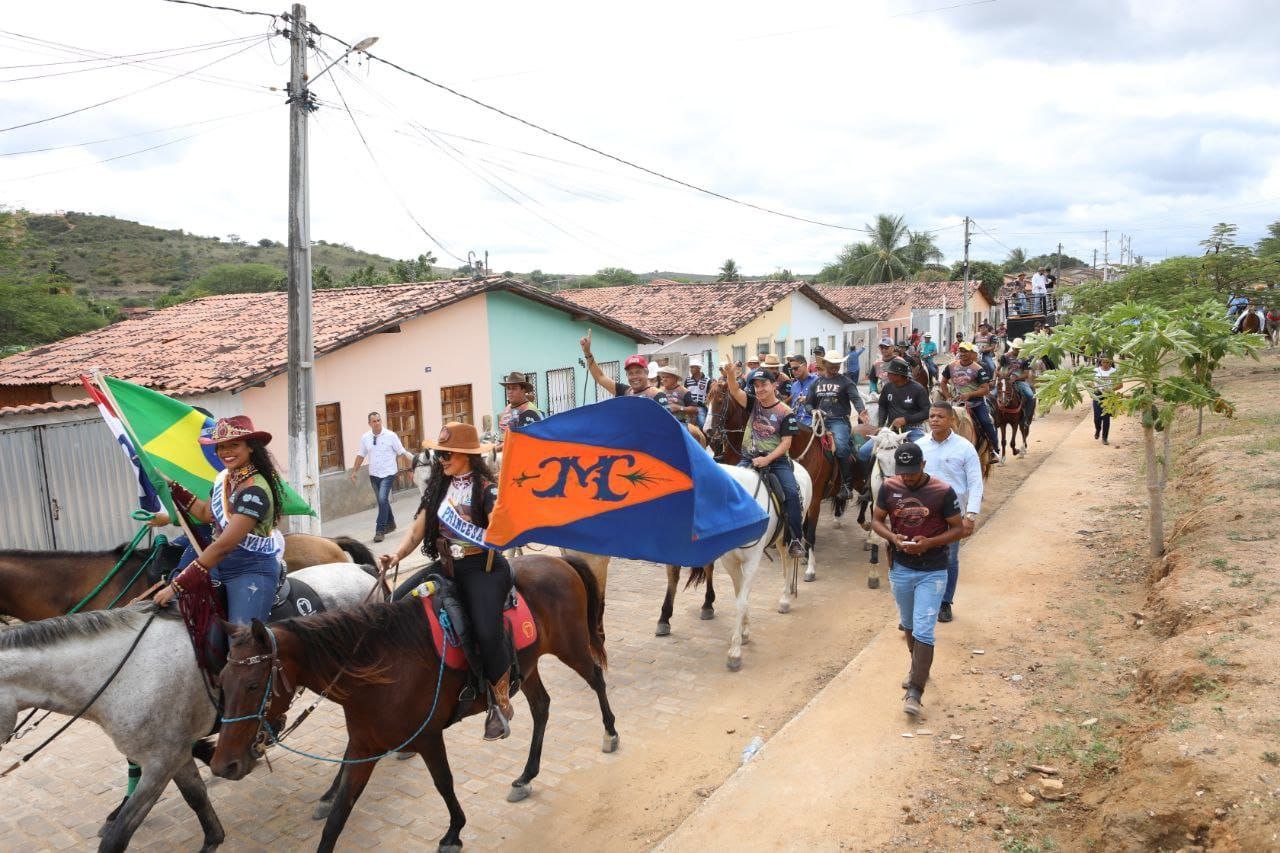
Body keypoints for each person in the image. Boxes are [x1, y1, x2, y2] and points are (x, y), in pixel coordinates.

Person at [378, 422, 515, 741]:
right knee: (394, 604)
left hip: (484, 569)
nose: (441, 459)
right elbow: (416, 529)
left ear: (466, 455)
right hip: (448, 566)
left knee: (485, 630)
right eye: (439, 453)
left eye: (447, 453)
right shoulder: (439, 488)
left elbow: (502, 534)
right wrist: (396, 555)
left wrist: (499, 523)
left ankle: (499, 701)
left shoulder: (486, 489)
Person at [153, 416, 285, 626]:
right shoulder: (226, 479)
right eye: (221, 446)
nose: (226, 452)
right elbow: (205, 513)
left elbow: (224, 545)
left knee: (242, 641)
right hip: (220, 564)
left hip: (250, 568)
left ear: (251, 447)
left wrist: (177, 586)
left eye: (234, 445)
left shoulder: (255, 490)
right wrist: (172, 486)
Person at [871, 442, 964, 717]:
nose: (907, 477)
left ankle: (915, 692)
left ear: (923, 465)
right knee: (909, 625)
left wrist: (930, 542)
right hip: (901, 567)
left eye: (912, 472)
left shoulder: (943, 491)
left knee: (924, 629)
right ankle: (917, 668)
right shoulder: (889, 487)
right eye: (903, 473)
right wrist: (892, 537)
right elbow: (877, 520)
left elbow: (959, 529)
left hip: (933, 568)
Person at [721, 360, 806, 559]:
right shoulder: (753, 403)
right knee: (728, 487)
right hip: (749, 458)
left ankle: (795, 539)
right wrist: (731, 375)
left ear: (774, 385)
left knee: (792, 493)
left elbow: (786, 444)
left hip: (776, 461)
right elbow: (735, 391)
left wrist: (767, 459)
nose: (759, 389)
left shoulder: (786, 413)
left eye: (764, 385)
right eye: (756, 386)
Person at [917, 402, 983, 623]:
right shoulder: (919, 446)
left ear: (951, 420)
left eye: (940, 417)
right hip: (922, 515)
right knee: (918, 557)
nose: (934, 420)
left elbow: (975, 482)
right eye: (932, 416)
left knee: (950, 559)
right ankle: (918, 608)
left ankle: (945, 603)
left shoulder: (965, 448)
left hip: (952, 514)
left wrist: (970, 515)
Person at [810, 352, 868, 499]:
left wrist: (861, 411)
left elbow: (856, 398)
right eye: (832, 363)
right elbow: (808, 403)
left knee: (841, 447)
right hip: (819, 421)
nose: (835, 366)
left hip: (838, 421)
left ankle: (847, 486)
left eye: (838, 363)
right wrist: (812, 410)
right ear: (825, 364)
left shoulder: (846, 382)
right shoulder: (816, 383)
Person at [349, 412, 413, 543]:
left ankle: (380, 530)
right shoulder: (365, 437)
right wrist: (354, 471)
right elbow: (361, 455)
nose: (377, 423)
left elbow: (402, 453)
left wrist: (412, 467)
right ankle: (391, 523)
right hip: (374, 475)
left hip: (388, 473)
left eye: (378, 420)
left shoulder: (391, 436)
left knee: (383, 499)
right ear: (369, 423)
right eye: (374, 421)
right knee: (382, 501)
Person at [859, 358, 930, 462]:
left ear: (899, 375)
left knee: (925, 452)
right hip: (890, 430)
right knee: (863, 452)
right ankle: (868, 477)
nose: (887, 375)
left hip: (913, 429)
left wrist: (905, 420)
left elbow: (926, 412)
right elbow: (883, 406)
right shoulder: (887, 387)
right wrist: (881, 426)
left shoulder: (918, 389)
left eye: (890, 373)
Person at [940, 342, 1001, 463]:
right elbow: (943, 382)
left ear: (972, 353)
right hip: (955, 403)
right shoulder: (951, 366)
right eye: (961, 351)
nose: (962, 353)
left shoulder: (978, 369)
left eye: (965, 351)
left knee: (986, 422)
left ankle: (994, 450)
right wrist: (947, 396)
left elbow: (985, 389)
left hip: (976, 403)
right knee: (938, 421)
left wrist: (969, 395)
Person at [580, 330, 669, 407]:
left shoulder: (657, 395)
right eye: (630, 373)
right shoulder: (625, 392)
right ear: (627, 375)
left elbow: (667, 424)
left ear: (646, 372)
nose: (634, 377)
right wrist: (587, 352)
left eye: (638, 372)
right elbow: (600, 377)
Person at [496, 372, 543, 452]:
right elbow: (503, 434)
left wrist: (495, 450)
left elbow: (522, 442)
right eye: (508, 388)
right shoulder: (508, 408)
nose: (510, 391)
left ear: (523, 390)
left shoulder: (529, 412)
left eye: (514, 388)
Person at [998, 338, 1037, 423]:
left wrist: (1016, 378)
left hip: (1019, 381)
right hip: (1005, 380)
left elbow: (1026, 374)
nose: (1016, 350)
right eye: (1015, 348)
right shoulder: (1005, 357)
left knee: (1030, 396)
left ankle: (1026, 417)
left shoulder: (1025, 359)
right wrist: (1001, 376)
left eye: (1018, 349)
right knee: (992, 395)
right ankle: (996, 417)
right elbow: (997, 369)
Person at [787, 354, 819, 426]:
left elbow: (823, 403)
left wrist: (808, 400)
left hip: (812, 424)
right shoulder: (794, 386)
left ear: (804, 366)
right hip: (796, 424)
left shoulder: (817, 381)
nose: (793, 371)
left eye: (795, 368)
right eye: (791, 369)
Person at [1092, 355, 1117, 445]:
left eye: (1107, 362)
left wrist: (1111, 389)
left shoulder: (1114, 371)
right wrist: (1095, 389)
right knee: (1097, 417)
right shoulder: (1095, 371)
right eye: (1103, 362)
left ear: (1110, 362)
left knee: (1106, 418)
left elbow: (1120, 384)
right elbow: (1090, 383)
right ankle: (1098, 429)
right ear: (1100, 362)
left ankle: (1105, 438)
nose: (1105, 364)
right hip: (1097, 395)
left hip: (1108, 396)